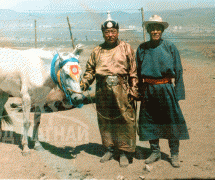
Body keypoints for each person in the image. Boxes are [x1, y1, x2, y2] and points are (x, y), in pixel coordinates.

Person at [80, 12, 139, 168]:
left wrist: (134, 90)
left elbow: (133, 71)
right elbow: (90, 71)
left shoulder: (126, 48)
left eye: (113, 32)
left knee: (125, 119)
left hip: (122, 89)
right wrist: (83, 85)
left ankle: (125, 152)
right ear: (103, 33)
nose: (110, 35)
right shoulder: (97, 51)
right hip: (102, 90)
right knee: (106, 119)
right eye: (107, 32)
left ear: (117, 32)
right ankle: (110, 149)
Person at [136, 15, 189, 168]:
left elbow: (178, 69)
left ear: (162, 30)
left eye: (158, 28)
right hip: (148, 90)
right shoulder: (142, 48)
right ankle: (155, 151)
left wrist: (178, 93)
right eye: (152, 28)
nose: (155, 31)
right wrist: (140, 91)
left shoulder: (170, 46)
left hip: (166, 89)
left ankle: (174, 154)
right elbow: (138, 72)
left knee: (171, 121)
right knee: (149, 120)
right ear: (148, 30)